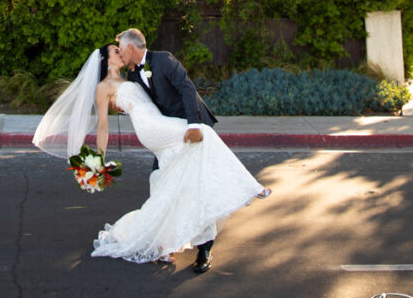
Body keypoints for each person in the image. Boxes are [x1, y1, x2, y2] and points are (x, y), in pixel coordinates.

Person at [32, 35, 271, 272]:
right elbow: (103, 124)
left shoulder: (137, 73)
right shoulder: (103, 88)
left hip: (162, 122)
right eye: (116, 52)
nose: (120, 54)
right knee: (205, 137)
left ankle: (165, 243)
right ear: (107, 61)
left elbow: (176, 90)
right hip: (151, 127)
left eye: (120, 49)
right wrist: (100, 157)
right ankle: (250, 187)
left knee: (175, 180)